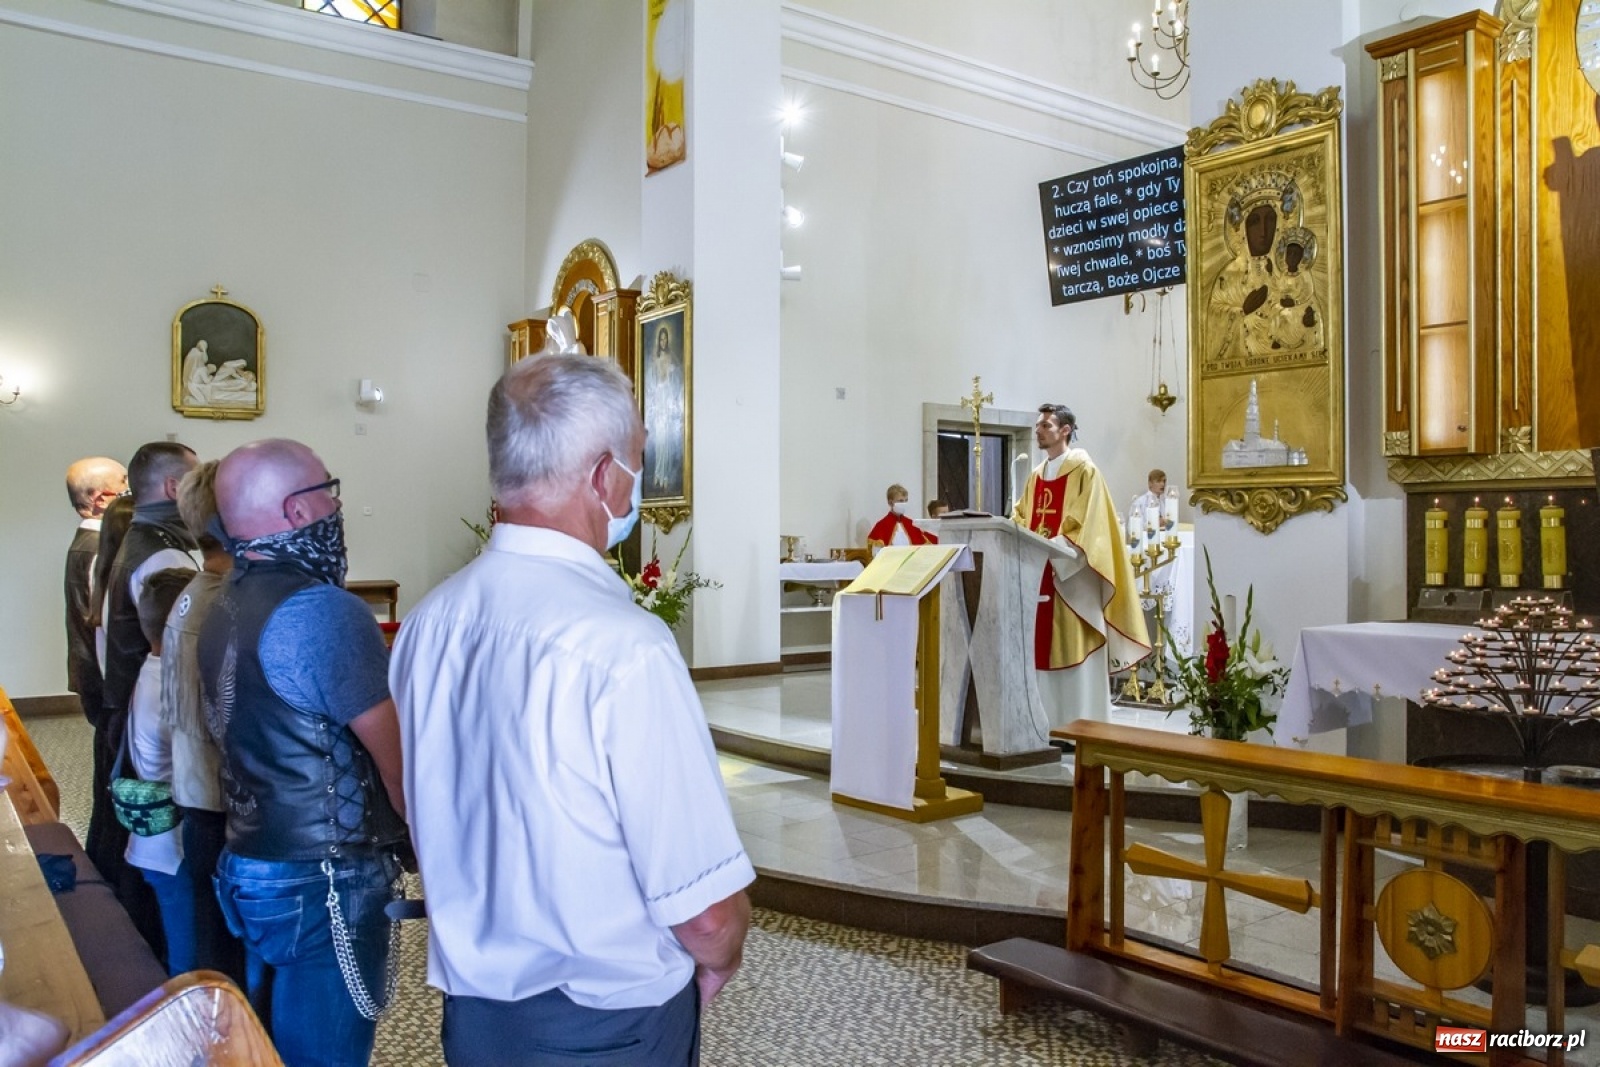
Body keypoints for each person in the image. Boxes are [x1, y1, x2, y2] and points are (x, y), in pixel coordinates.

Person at [391, 353, 753, 1067]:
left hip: (477, 1019)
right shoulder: (626, 648)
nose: (636, 483)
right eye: (638, 460)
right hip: (605, 1028)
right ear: (602, 476)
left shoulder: (429, 623)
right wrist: (718, 958)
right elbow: (706, 911)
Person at [200, 438, 407, 1067]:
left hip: (250, 858)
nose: (335, 506)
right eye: (328, 490)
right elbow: (399, 765)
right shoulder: (322, 609)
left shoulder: (224, 599)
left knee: (272, 1047)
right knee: (324, 1055)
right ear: (296, 511)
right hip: (325, 876)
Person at [96, 441, 199, 952]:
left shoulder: (135, 538)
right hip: (150, 710)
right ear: (175, 487)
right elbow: (170, 629)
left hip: (128, 704)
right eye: (198, 479)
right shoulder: (163, 553)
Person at [1011, 405, 1149, 743]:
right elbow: (1021, 517)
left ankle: (1080, 728)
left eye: (1046, 425)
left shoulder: (1085, 472)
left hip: (1071, 577)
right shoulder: (1036, 476)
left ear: (1066, 430)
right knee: (1039, 650)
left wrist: (1052, 550)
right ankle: (1043, 726)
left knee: (1072, 642)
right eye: (1038, 425)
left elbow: (1091, 526)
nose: (1039, 431)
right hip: (1038, 574)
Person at [160, 460, 246, 986]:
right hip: (219, 803)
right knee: (226, 961)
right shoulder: (226, 605)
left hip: (196, 794)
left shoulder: (194, 588)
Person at [124, 567, 199, 976]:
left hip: (152, 842)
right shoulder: (171, 684)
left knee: (181, 941)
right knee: (185, 958)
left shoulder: (150, 668)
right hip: (170, 848)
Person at [63, 456, 127, 723]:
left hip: (93, 675)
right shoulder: (101, 549)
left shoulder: (84, 542)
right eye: (126, 488)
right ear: (101, 499)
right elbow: (109, 625)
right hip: (104, 679)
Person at [644, 324, 684, 496]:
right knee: (659, 439)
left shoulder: (670, 357)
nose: (663, 341)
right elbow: (651, 382)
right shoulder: (654, 359)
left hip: (668, 397)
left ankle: (666, 476)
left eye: (665, 338)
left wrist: (672, 374)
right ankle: (658, 476)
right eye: (660, 338)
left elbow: (677, 378)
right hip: (659, 400)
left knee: (667, 439)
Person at [866, 483, 938, 550]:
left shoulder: (911, 524)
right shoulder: (882, 525)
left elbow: (929, 542)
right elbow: (876, 552)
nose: (904, 504)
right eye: (900, 501)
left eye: (906, 500)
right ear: (890, 502)